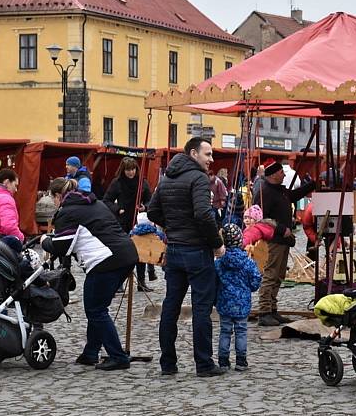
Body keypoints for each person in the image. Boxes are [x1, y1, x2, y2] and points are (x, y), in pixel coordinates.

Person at [147, 137, 226, 377]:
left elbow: (152, 211)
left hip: (174, 250)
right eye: (208, 154)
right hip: (196, 251)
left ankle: (168, 363)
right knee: (202, 308)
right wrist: (217, 244)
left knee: (171, 306)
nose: (211, 160)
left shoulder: (167, 177)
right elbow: (203, 215)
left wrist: (172, 226)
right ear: (194, 154)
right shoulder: (199, 178)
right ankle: (204, 364)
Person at [42, 178, 138, 370]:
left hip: (106, 261)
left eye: (52, 198)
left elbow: (62, 246)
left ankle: (118, 356)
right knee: (98, 308)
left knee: (96, 310)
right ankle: (91, 353)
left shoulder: (67, 212)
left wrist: (45, 240)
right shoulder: (94, 202)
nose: (52, 202)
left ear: (58, 196)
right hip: (126, 254)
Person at [255, 159, 315, 326]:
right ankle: (264, 311)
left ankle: (272, 309)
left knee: (279, 275)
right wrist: (282, 229)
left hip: (283, 240)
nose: (283, 175)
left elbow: (293, 195)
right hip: (274, 238)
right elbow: (262, 217)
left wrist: (312, 185)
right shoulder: (264, 192)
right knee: (270, 274)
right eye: (281, 172)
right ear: (273, 174)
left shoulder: (279, 190)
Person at [103, 157, 155, 291]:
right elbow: (107, 200)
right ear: (123, 170)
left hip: (139, 221)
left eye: (132, 169)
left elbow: (150, 200)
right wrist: (117, 209)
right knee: (122, 253)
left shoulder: (142, 183)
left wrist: (145, 207)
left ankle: (141, 283)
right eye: (128, 170)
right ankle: (119, 283)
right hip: (122, 221)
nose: (131, 172)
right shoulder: (117, 183)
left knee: (140, 252)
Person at [215, 224, 261, 371]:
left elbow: (213, 281)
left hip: (224, 302)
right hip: (242, 303)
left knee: (225, 331)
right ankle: (241, 361)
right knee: (241, 331)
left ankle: (223, 362)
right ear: (240, 240)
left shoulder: (219, 263)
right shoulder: (248, 263)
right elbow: (255, 282)